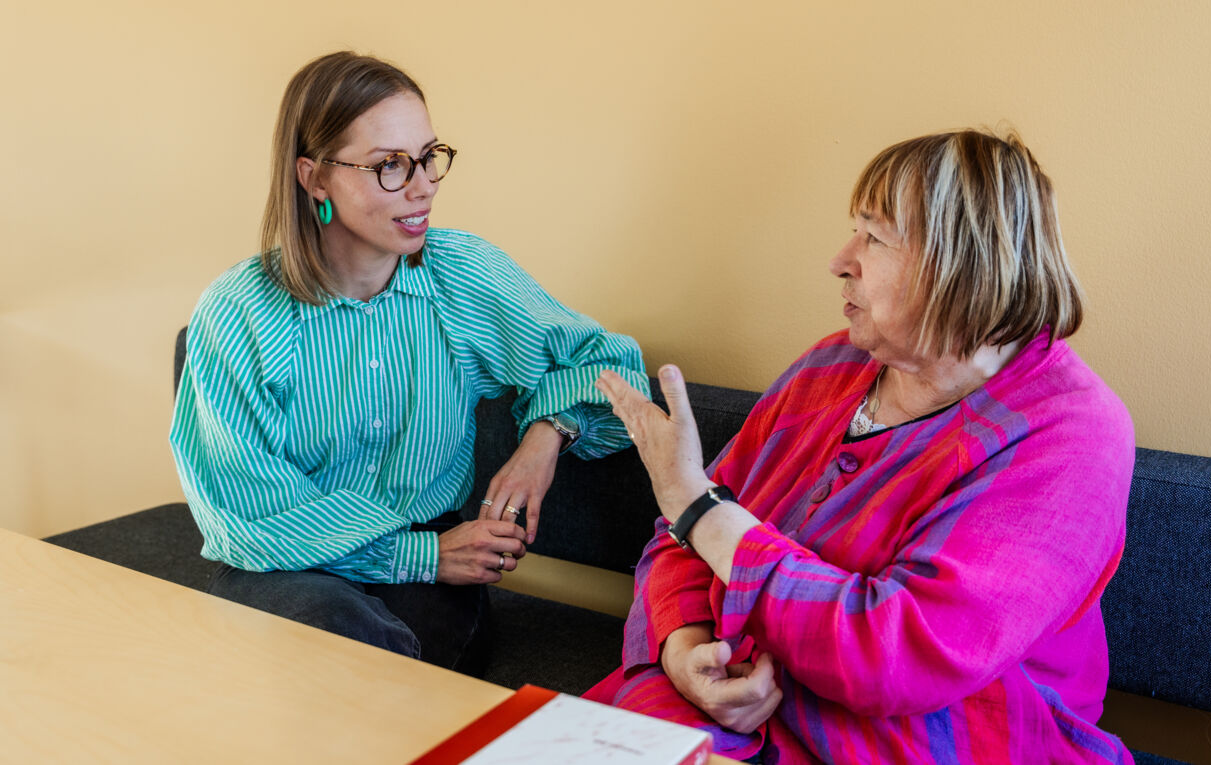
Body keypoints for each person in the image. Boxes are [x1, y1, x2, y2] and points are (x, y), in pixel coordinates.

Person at [590, 130, 1135, 763]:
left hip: (933, 740)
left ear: (959, 262)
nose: (840, 260)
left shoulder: (1070, 433)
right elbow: (684, 539)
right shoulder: (830, 366)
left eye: (874, 237)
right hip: (730, 704)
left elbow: (898, 654)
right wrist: (682, 649)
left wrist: (697, 506)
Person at [170, 51, 648, 676]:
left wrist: (545, 438)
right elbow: (245, 512)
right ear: (314, 178)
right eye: (389, 165)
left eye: (428, 157)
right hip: (287, 566)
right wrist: (423, 557)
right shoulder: (239, 313)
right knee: (334, 629)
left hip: (434, 569)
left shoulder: (462, 277)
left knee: (364, 659)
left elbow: (611, 366)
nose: (423, 186)